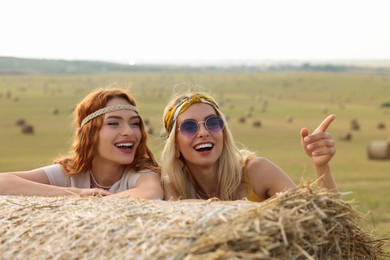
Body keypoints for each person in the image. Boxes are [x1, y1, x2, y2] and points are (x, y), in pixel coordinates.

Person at [161, 91, 338, 201]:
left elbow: (322, 224)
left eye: (213, 123)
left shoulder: (257, 172)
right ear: (175, 146)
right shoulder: (172, 187)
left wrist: (321, 166)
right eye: (189, 127)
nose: (203, 132)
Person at [0, 86, 163, 199]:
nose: (129, 131)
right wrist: (77, 194)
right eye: (113, 123)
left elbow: (150, 192)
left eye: (134, 123)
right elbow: (3, 182)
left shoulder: (140, 173)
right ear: (90, 133)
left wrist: (91, 203)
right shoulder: (71, 173)